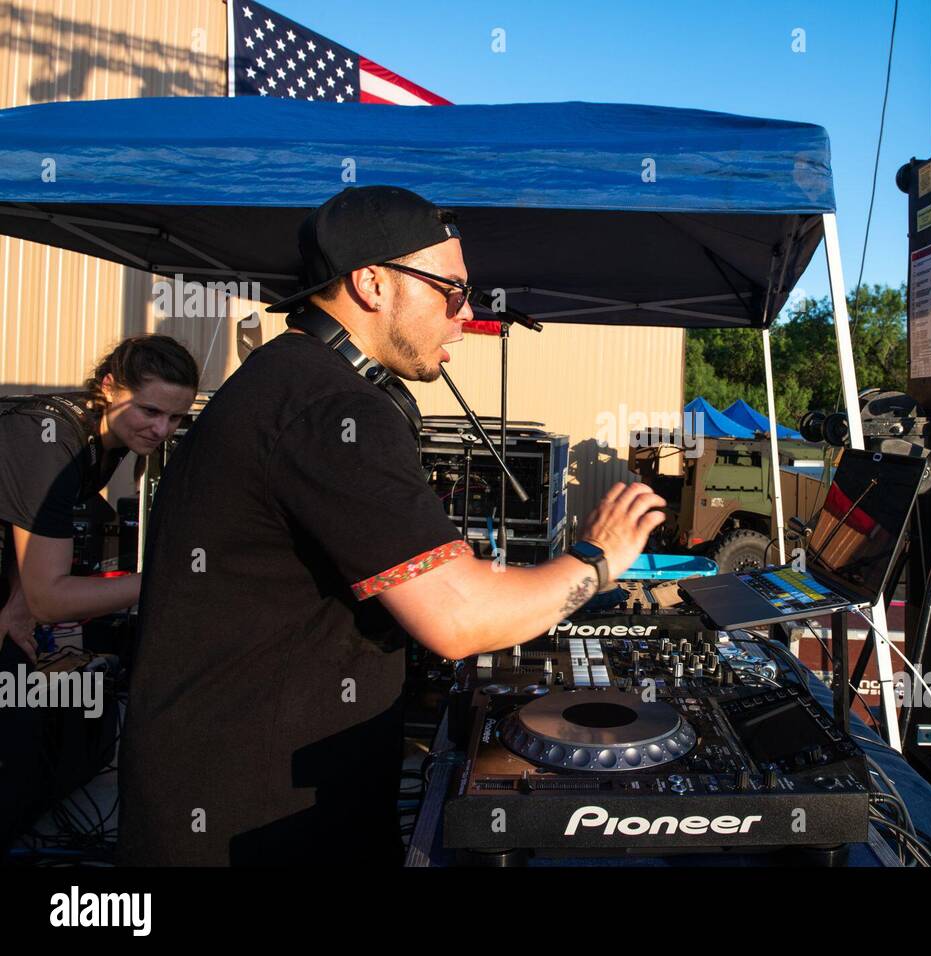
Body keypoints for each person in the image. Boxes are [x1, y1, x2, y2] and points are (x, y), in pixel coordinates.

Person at [117, 186, 666, 866]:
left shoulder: (287, 380)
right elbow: (459, 620)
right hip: (253, 821)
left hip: (243, 793)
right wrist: (597, 560)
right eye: (451, 292)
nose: (466, 318)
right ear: (372, 283)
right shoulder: (330, 407)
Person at [0, 334, 198, 847]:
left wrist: (17, 609)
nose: (161, 429)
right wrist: (163, 581)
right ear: (110, 387)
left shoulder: (104, 440)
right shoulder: (49, 439)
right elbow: (51, 597)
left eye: (175, 418)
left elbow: (27, 531)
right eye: (150, 410)